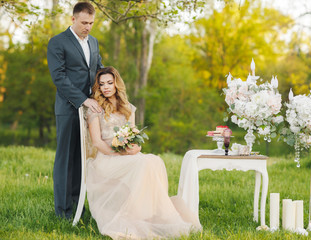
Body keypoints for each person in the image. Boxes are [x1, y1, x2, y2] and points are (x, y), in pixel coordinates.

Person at [86, 66, 201, 239]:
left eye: (110, 83)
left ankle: (148, 214)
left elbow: (134, 136)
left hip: (127, 155)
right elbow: (97, 142)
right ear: (98, 87)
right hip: (107, 158)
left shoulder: (127, 108)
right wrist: (117, 154)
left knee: (154, 160)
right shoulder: (95, 109)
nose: (106, 87)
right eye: (102, 84)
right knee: (143, 163)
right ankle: (136, 216)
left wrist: (136, 148)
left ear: (117, 84)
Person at [47, 2, 103, 219]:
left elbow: (98, 70)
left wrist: (110, 87)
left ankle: (78, 205)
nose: (87, 27)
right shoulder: (58, 42)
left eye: (91, 23)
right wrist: (83, 100)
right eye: (84, 22)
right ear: (73, 19)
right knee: (66, 159)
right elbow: (58, 77)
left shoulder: (94, 42)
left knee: (82, 159)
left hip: (90, 109)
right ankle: (63, 212)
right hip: (68, 108)